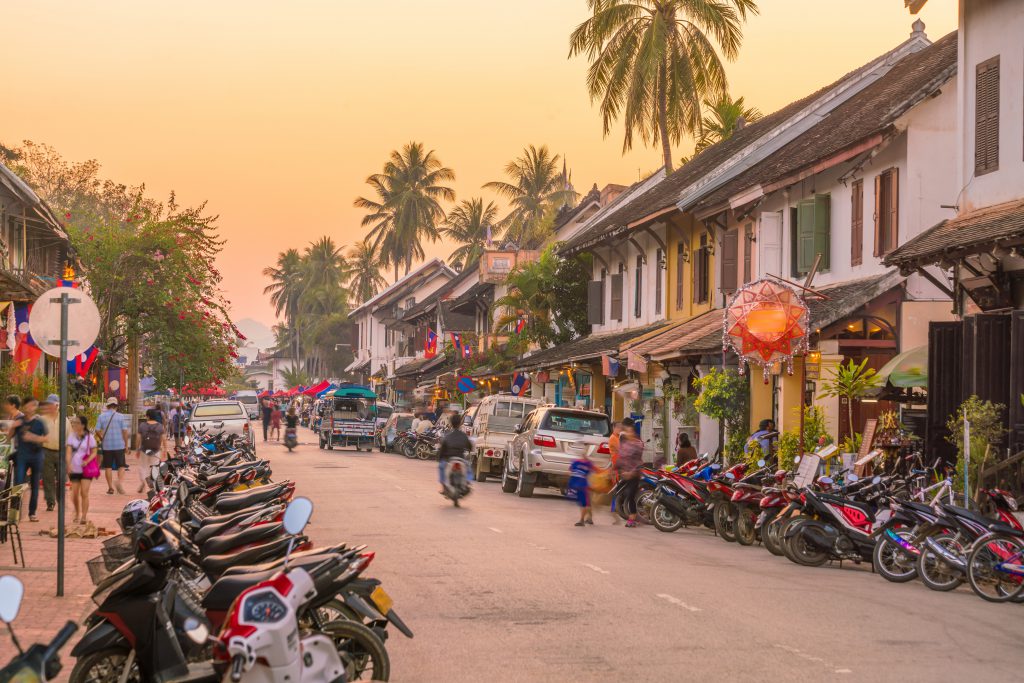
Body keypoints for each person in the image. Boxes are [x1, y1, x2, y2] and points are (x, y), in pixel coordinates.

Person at [13, 396, 48, 522]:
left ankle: (32, 513)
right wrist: (13, 427)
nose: (32, 408)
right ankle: (15, 512)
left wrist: (33, 437)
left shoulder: (39, 422)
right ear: (24, 406)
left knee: (34, 485)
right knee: (18, 484)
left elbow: (46, 438)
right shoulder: (19, 421)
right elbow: (8, 437)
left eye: (34, 405)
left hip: (36, 456)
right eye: (29, 405)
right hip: (22, 456)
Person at [39, 394, 71, 512]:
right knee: (48, 478)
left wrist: (68, 457)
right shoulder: (42, 419)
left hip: (61, 452)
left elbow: (69, 439)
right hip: (46, 451)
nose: (51, 406)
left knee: (61, 478)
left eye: (53, 404)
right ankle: (50, 502)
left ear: (58, 405)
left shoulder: (65, 420)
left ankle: (60, 500)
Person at [66, 414, 98, 524]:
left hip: (86, 469)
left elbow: (94, 452)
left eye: (77, 423)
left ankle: (83, 516)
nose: (74, 424)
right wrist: (68, 464)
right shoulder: (71, 436)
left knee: (84, 493)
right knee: (74, 494)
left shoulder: (90, 437)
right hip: (74, 468)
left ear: (83, 425)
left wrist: (87, 461)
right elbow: (69, 451)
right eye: (74, 423)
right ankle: (77, 512)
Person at [95, 397, 130, 495]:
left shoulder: (101, 416)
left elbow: (97, 430)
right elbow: (125, 431)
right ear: (116, 406)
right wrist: (126, 445)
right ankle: (119, 482)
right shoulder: (121, 416)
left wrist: (102, 438)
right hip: (119, 445)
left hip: (107, 445)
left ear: (108, 406)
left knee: (108, 467)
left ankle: (110, 487)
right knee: (121, 465)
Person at [617, 422, 644, 528]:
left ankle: (632, 519)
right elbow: (621, 458)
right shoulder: (625, 444)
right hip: (625, 474)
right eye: (626, 431)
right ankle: (634, 516)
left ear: (633, 432)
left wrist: (631, 473)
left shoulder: (638, 444)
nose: (627, 433)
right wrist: (616, 469)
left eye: (629, 431)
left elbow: (638, 462)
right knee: (624, 494)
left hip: (634, 475)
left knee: (630, 495)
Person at [436, 413, 472, 493]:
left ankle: (443, 487)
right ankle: (467, 482)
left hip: (449, 459)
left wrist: (439, 458)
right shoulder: (464, 435)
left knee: (441, 467)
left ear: (451, 423)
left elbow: (442, 450)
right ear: (460, 423)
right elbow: (469, 447)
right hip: (461, 458)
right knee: (468, 469)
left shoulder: (447, 435)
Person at [135, 408, 167, 494]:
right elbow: (163, 438)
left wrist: (137, 449)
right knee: (155, 467)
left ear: (148, 416)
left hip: (144, 449)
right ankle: (153, 485)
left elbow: (138, 438)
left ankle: (143, 482)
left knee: (143, 467)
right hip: (156, 450)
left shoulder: (142, 425)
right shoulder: (160, 426)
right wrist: (164, 449)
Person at [568, 449, 594, 527]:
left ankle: (582, 520)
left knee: (584, 503)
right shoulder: (576, 462)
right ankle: (589, 518)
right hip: (578, 485)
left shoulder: (588, 464)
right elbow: (570, 472)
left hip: (583, 485)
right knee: (585, 503)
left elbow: (570, 472)